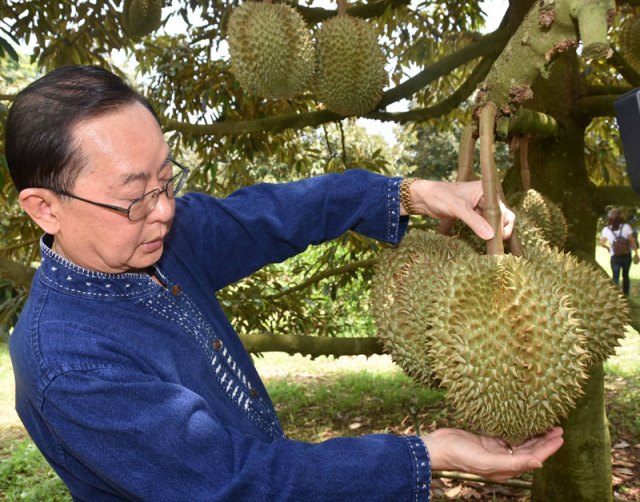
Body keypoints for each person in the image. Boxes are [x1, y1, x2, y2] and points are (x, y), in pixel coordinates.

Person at [6, 65, 563, 501]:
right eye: (135, 196)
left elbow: (271, 214)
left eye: (167, 178)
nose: (165, 211)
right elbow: (236, 484)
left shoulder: (154, 240)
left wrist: (405, 193)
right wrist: (424, 453)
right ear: (44, 208)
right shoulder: (70, 363)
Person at [600, 207, 639, 296]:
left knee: (615, 277)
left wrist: (608, 248)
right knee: (626, 276)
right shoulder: (626, 227)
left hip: (615, 256)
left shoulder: (606, 230)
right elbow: (632, 241)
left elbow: (602, 243)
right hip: (626, 255)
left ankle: (616, 296)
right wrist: (636, 254)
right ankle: (626, 295)